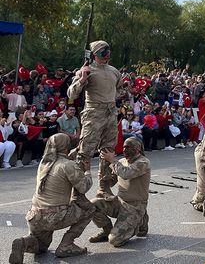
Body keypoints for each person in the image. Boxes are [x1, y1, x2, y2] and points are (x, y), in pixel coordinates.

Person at [9, 134, 94, 263]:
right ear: (66, 146)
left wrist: (76, 151)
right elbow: (83, 187)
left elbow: (62, 160)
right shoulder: (68, 165)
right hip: (55, 216)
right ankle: (67, 245)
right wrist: (87, 171)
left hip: (34, 216)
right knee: (90, 209)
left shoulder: (44, 162)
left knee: (41, 245)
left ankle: (23, 243)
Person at [67, 40, 122, 198]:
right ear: (95, 54)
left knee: (108, 149)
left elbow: (118, 88)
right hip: (94, 112)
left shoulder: (114, 71)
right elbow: (71, 94)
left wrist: (113, 98)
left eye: (108, 52)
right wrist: (82, 78)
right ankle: (78, 190)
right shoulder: (86, 70)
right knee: (85, 151)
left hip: (110, 112)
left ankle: (104, 187)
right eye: (103, 52)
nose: (106, 55)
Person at [89, 137, 150, 247]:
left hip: (135, 205)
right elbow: (114, 180)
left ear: (137, 149)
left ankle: (139, 221)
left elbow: (126, 174)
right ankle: (107, 230)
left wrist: (112, 160)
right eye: (124, 147)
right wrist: (105, 178)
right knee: (93, 205)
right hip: (120, 202)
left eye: (128, 147)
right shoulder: (122, 162)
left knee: (115, 241)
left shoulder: (143, 162)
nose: (124, 150)